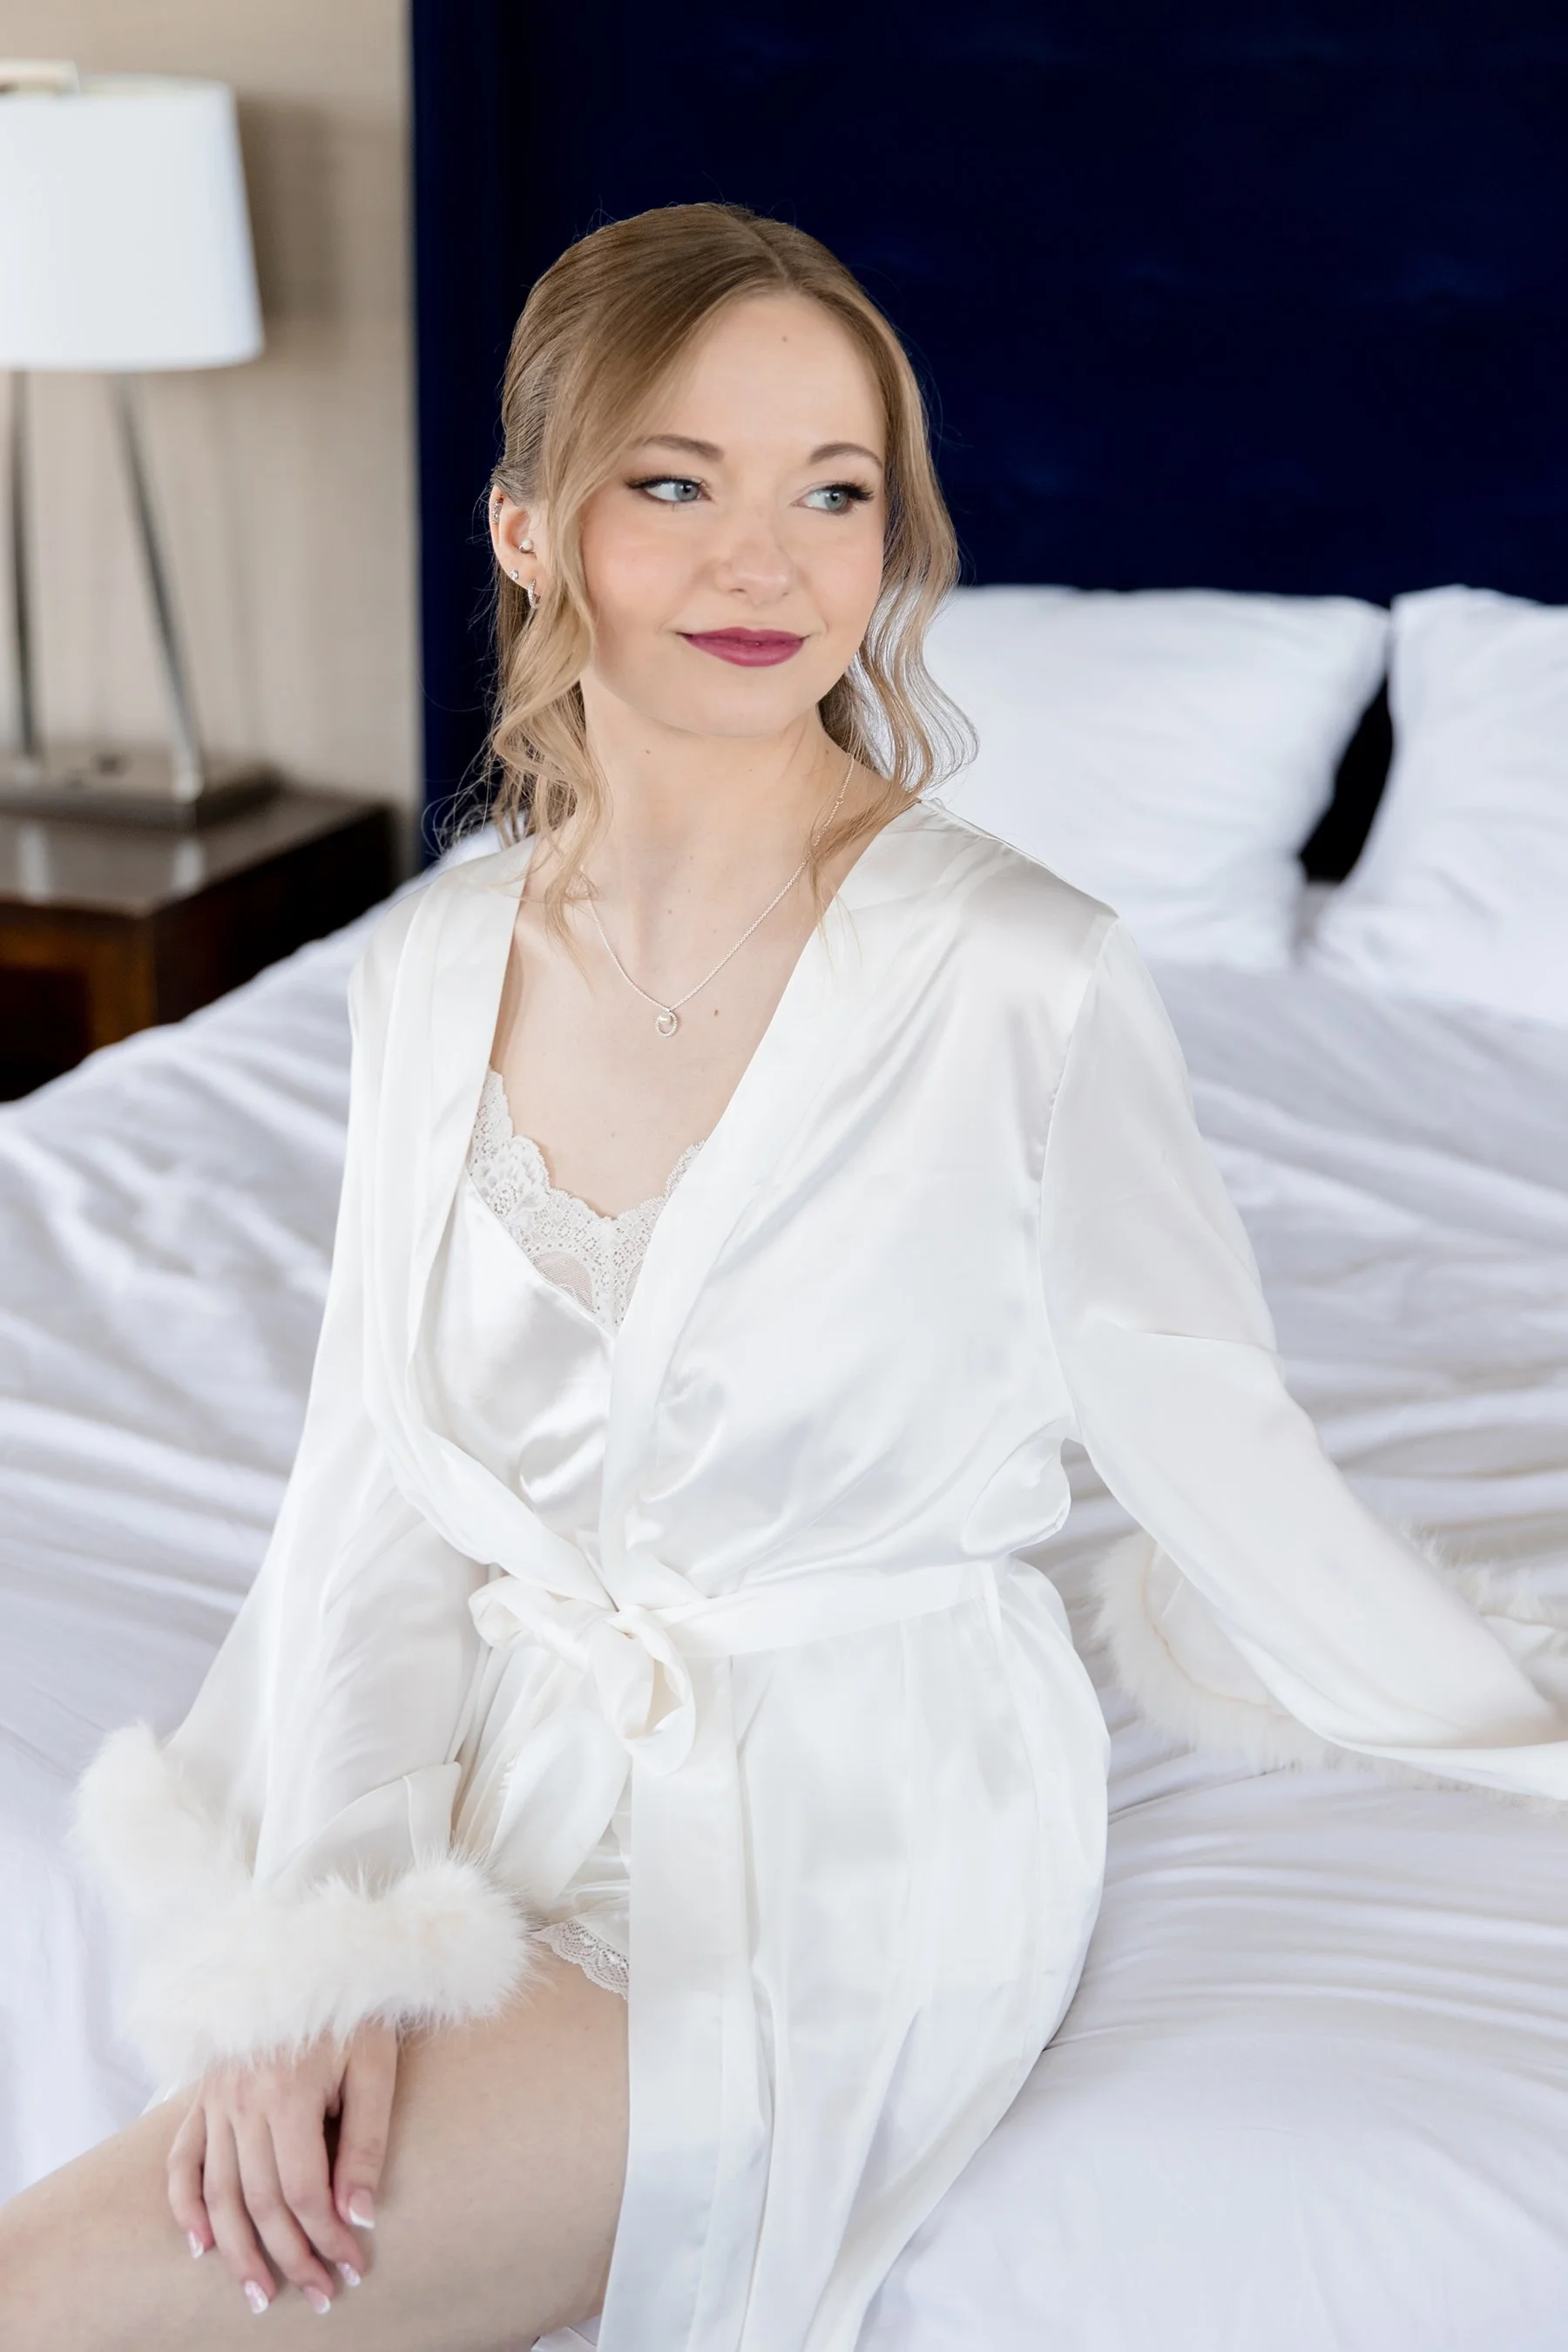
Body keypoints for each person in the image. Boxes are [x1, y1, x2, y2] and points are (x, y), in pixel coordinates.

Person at [3, 202, 1566, 2352]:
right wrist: (327, 1938)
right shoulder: (431, 960)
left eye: (834, 494)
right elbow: (376, 1486)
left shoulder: (1019, 973)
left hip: (864, 1816)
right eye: (678, 485)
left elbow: (1219, 1439)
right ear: (531, 527)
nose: (767, 564)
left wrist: (1519, 1719)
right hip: (515, 1768)